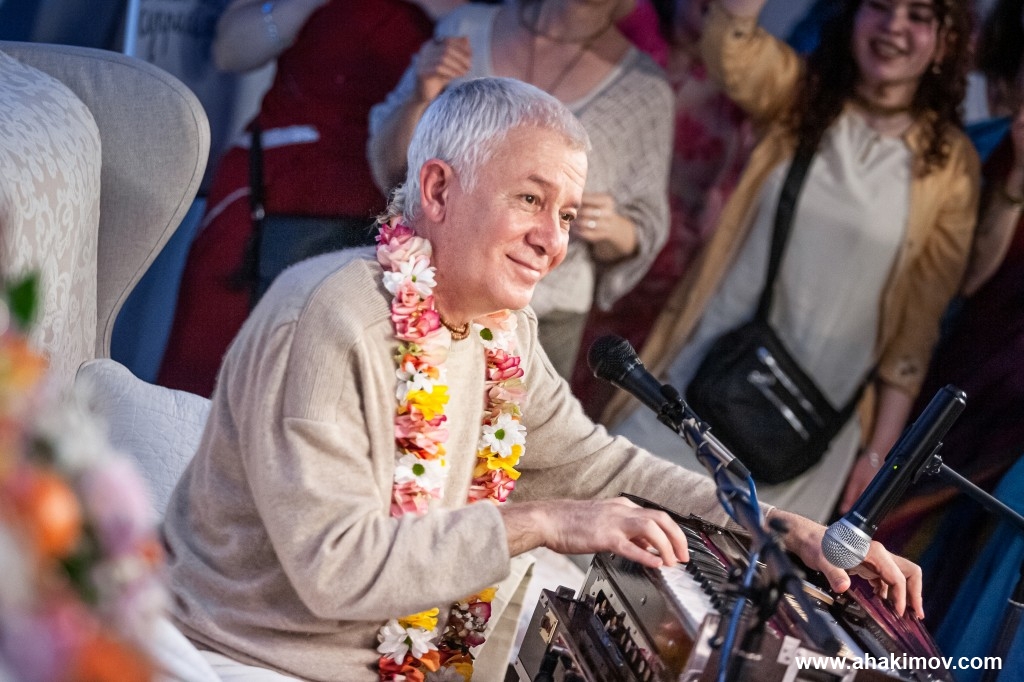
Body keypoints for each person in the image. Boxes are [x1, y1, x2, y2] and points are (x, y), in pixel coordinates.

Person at [161, 77, 922, 682]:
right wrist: (544, 522)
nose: (552, 242)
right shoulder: (335, 318)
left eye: (565, 215)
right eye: (530, 199)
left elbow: (598, 467)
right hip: (261, 661)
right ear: (438, 190)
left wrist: (782, 528)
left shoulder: (502, 328)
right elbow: (336, 569)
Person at [604, 0, 980, 524]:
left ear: (945, 41)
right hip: (702, 374)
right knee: (612, 518)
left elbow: (914, 334)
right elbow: (732, 49)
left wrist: (880, 456)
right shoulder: (802, 94)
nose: (894, 25)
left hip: (809, 434)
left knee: (737, 569)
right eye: (878, 5)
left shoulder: (951, 164)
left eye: (918, 15)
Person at [157, 0, 457, 397]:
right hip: (271, 194)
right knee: (207, 377)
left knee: (332, 393)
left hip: (391, 211)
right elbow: (229, 52)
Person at [367, 0, 674, 379]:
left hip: (545, 316)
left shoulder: (644, 93)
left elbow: (644, 228)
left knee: (512, 419)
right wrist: (422, 93)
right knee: (400, 408)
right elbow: (394, 170)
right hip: (430, 286)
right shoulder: (465, 31)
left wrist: (608, 227)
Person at [874, 0, 1024, 627]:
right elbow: (962, 283)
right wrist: (1017, 177)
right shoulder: (978, 153)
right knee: (886, 570)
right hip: (946, 401)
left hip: (1012, 441)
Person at [571, 0, 754, 419]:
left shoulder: (741, 89)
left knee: (607, 388)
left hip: (668, 267)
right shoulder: (633, 35)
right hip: (587, 230)